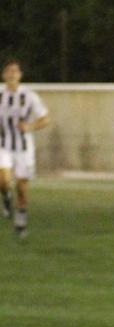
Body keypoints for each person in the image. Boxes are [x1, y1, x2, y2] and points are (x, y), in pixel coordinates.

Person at [0, 58, 51, 239]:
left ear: (20, 75)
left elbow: (45, 118)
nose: (12, 74)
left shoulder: (29, 96)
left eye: (15, 71)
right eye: (9, 71)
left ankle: (20, 225)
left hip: (23, 149)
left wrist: (29, 127)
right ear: (4, 75)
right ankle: (6, 198)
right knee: (4, 180)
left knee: (22, 188)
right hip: (3, 146)